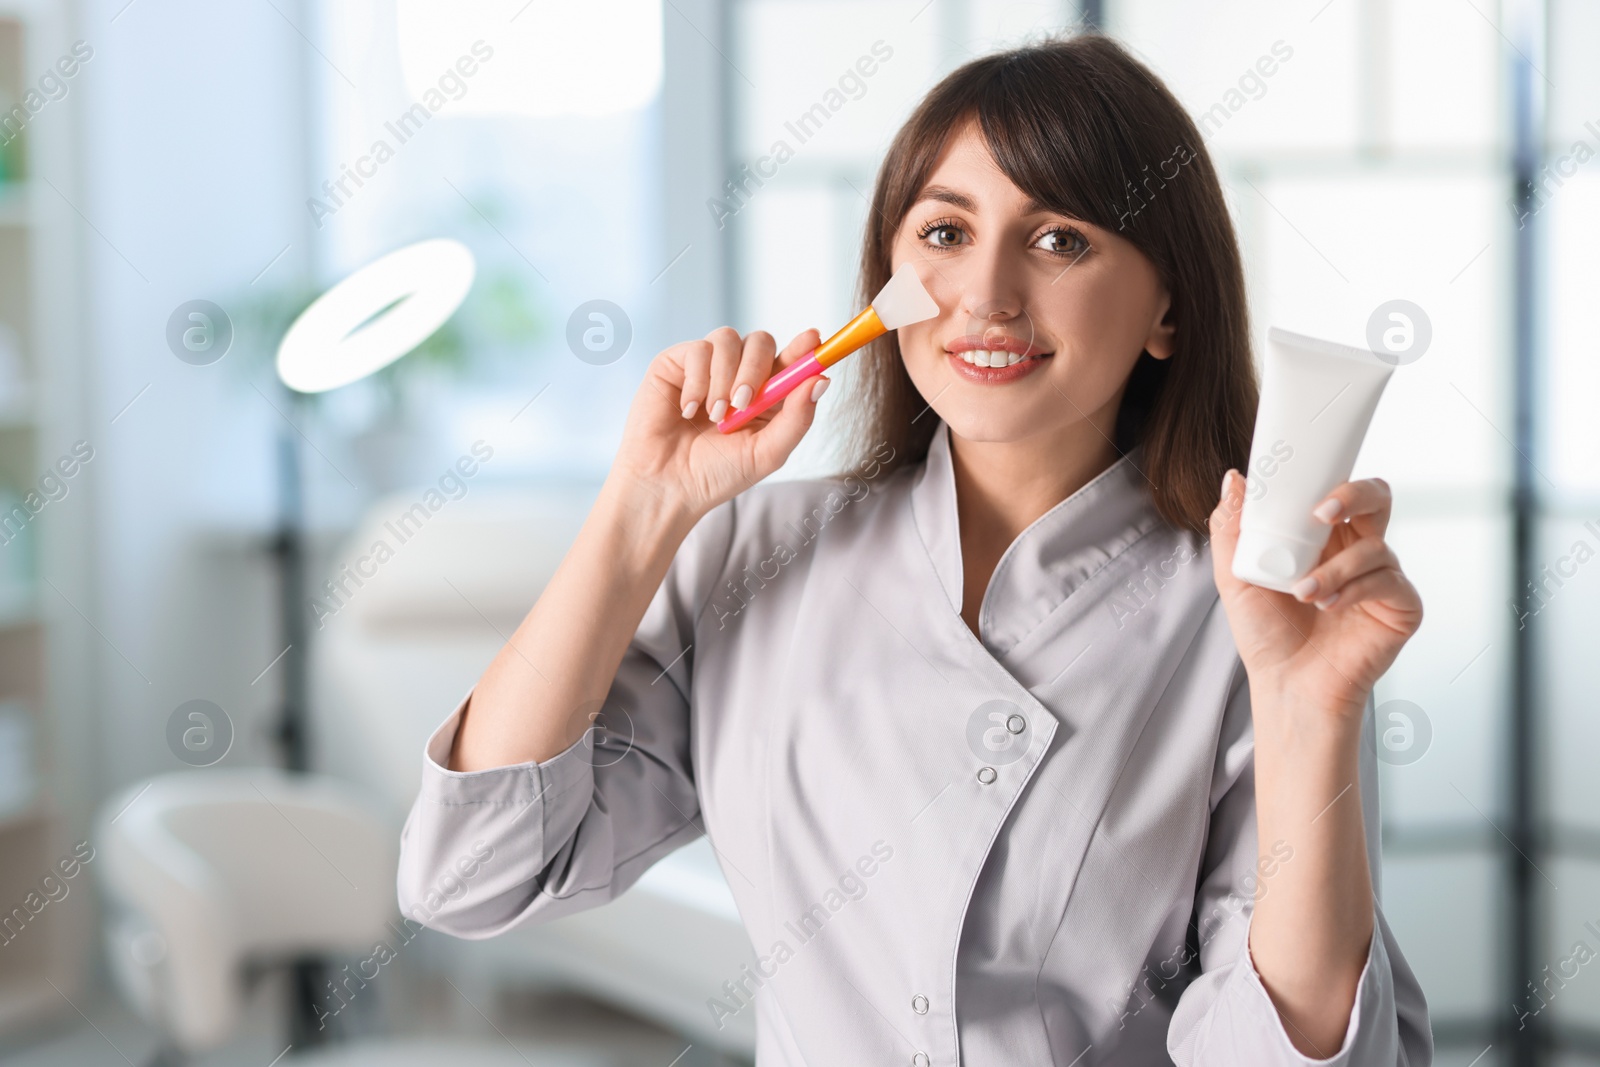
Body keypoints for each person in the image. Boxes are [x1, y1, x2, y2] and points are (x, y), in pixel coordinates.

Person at [397, 33, 1433, 1066]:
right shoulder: (755, 554)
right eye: (944, 230)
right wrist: (639, 508)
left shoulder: (1246, 614)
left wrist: (1305, 714)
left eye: (1060, 239)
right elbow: (470, 875)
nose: (985, 293)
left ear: (1169, 307)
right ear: (887, 275)